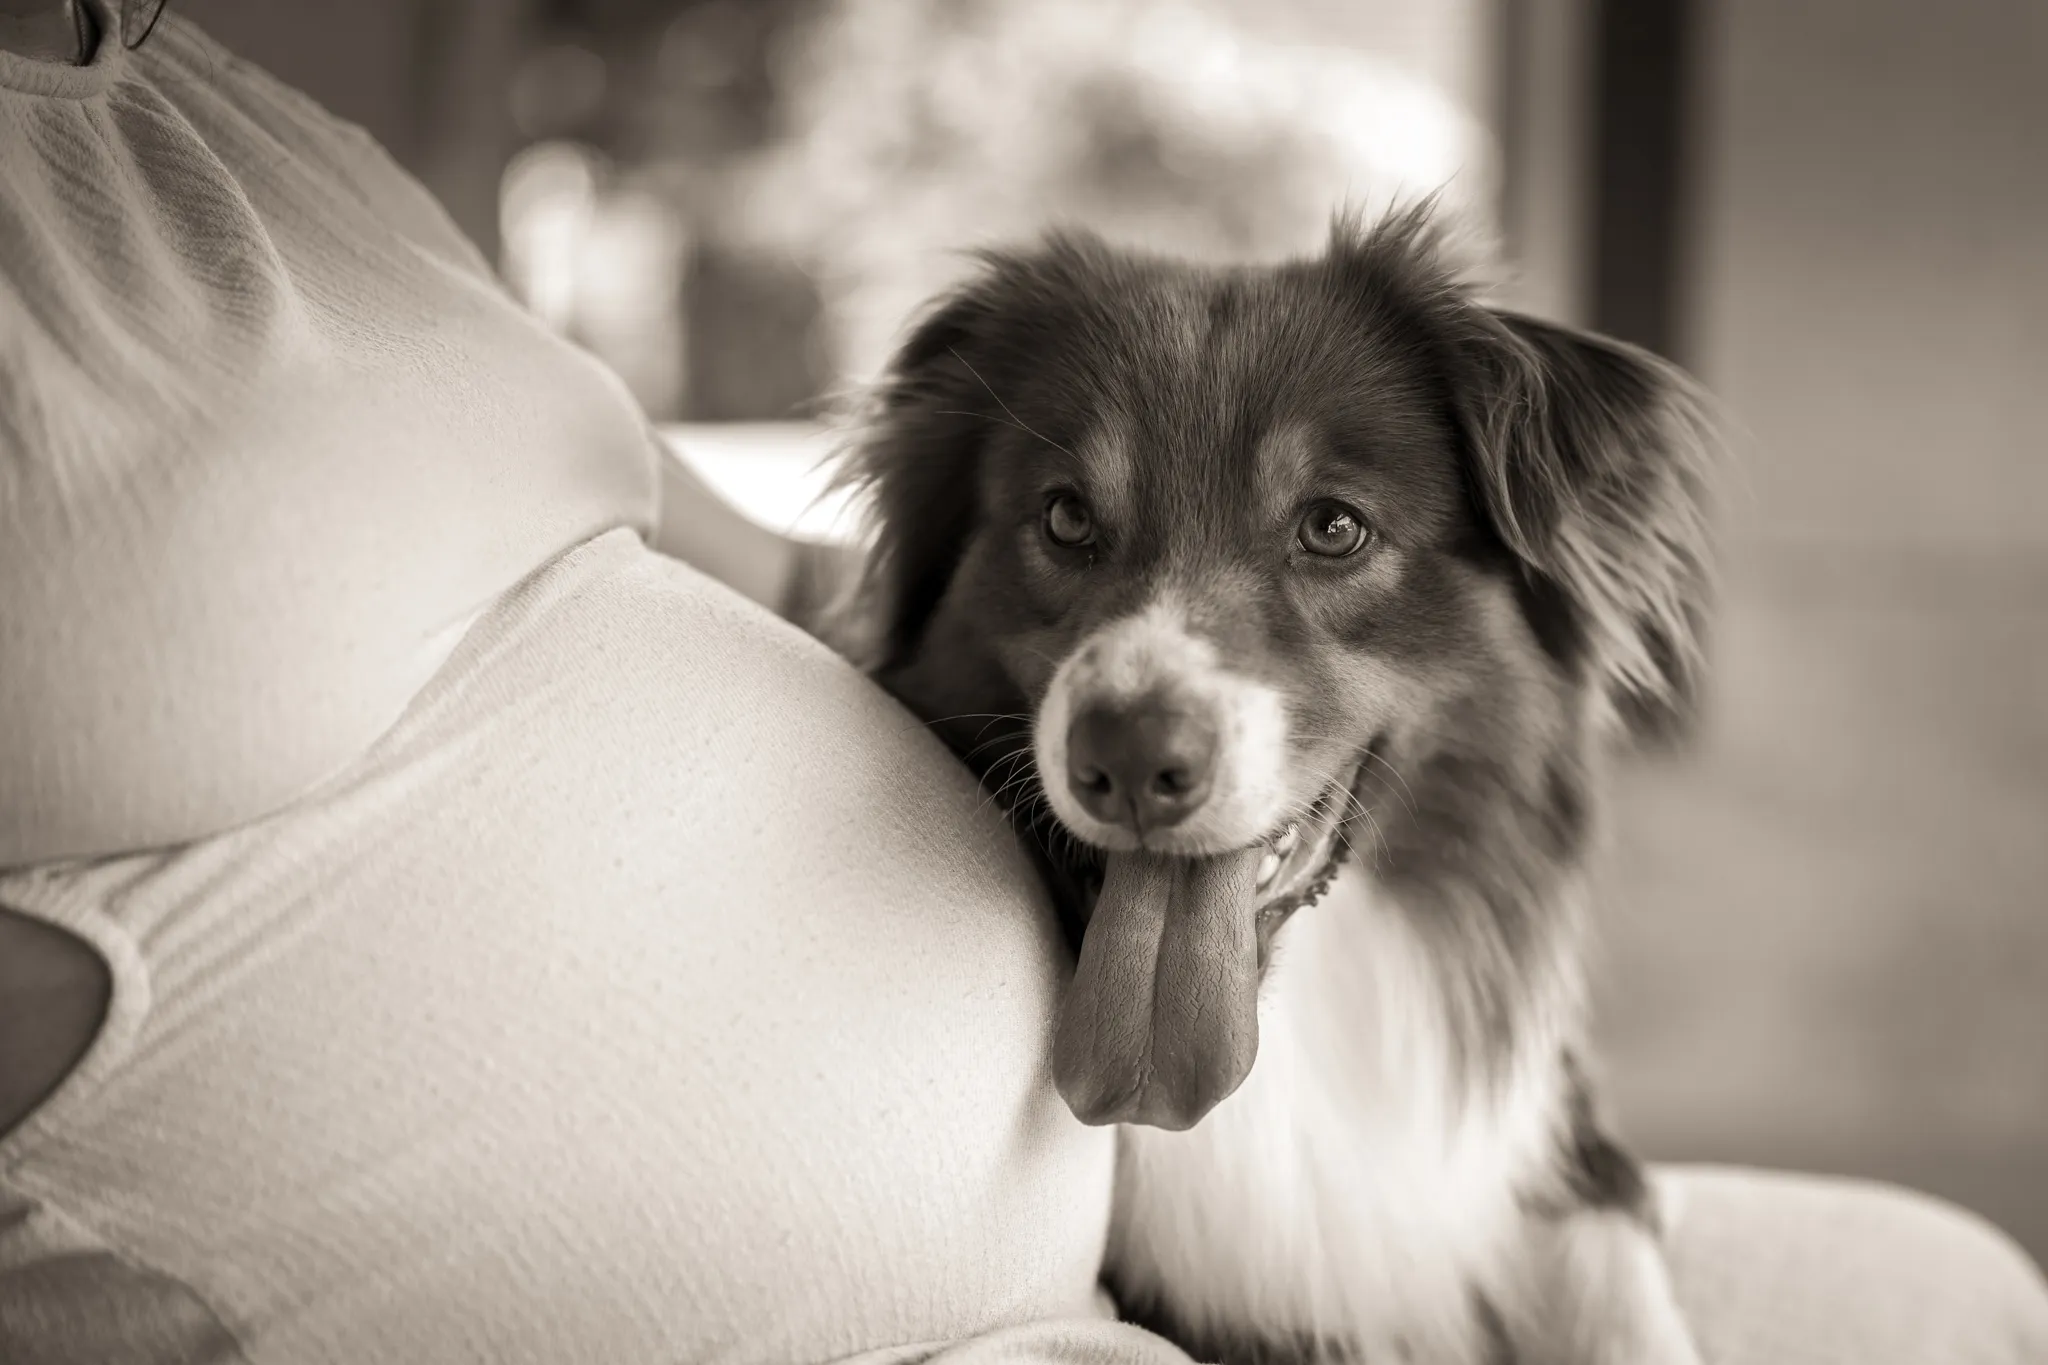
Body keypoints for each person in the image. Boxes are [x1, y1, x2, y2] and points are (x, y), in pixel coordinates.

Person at [2, 4, 2044, 1364]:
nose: (1154, 685)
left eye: (1331, 532)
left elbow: (754, 560)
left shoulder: (233, 116)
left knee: (1957, 1291)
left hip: (1007, 1267)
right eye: (1075, 526)